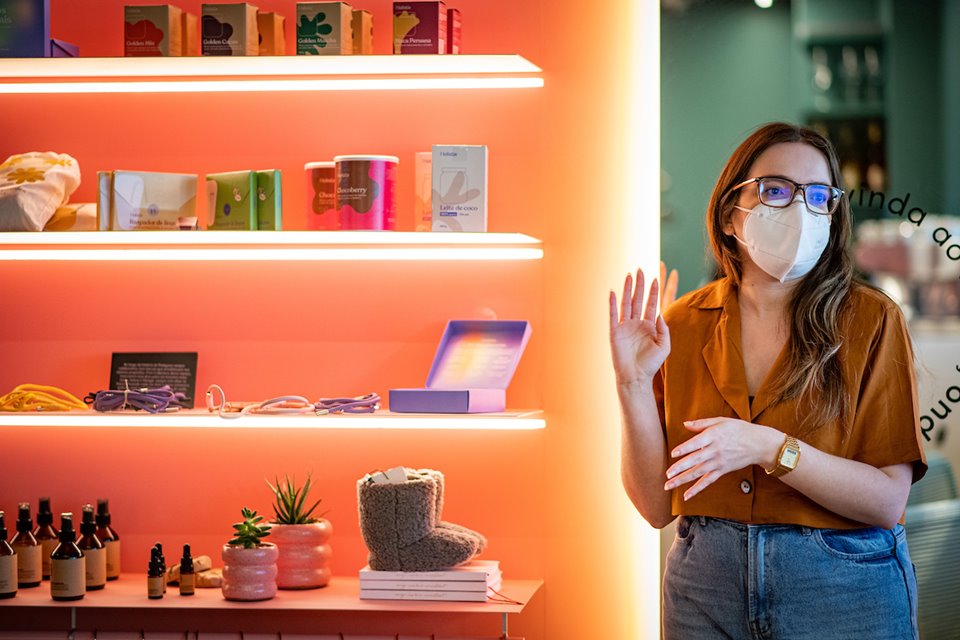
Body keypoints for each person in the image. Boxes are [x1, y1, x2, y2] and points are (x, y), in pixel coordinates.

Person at [609, 122, 926, 640]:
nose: (799, 210)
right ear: (732, 214)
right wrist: (631, 386)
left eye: (819, 195)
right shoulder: (680, 325)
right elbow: (653, 505)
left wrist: (771, 447)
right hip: (704, 584)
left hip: (841, 585)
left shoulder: (872, 320)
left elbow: (887, 501)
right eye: (776, 190)